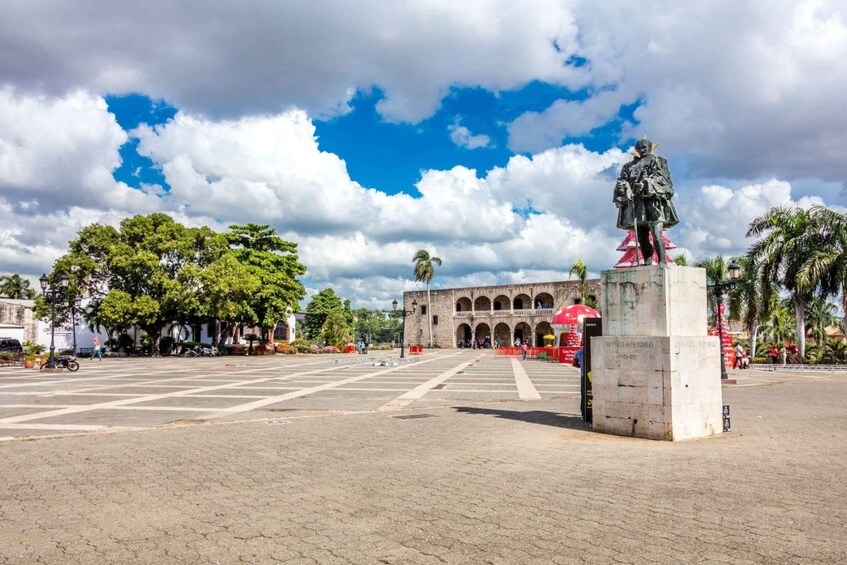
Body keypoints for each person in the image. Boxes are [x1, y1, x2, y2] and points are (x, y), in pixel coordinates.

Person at [613, 136, 679, 265]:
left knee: (656, 232)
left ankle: (662, 262)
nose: (641, 149)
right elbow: (622, 179)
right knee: (641, 236)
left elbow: (662, 178)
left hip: (653, 203)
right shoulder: (628, 166)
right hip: (637, 205)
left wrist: (646, 183)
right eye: (639, 147)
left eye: (644, 147)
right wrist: (623, 186)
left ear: (650, 148)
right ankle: (648, 262)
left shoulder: (657, 161)